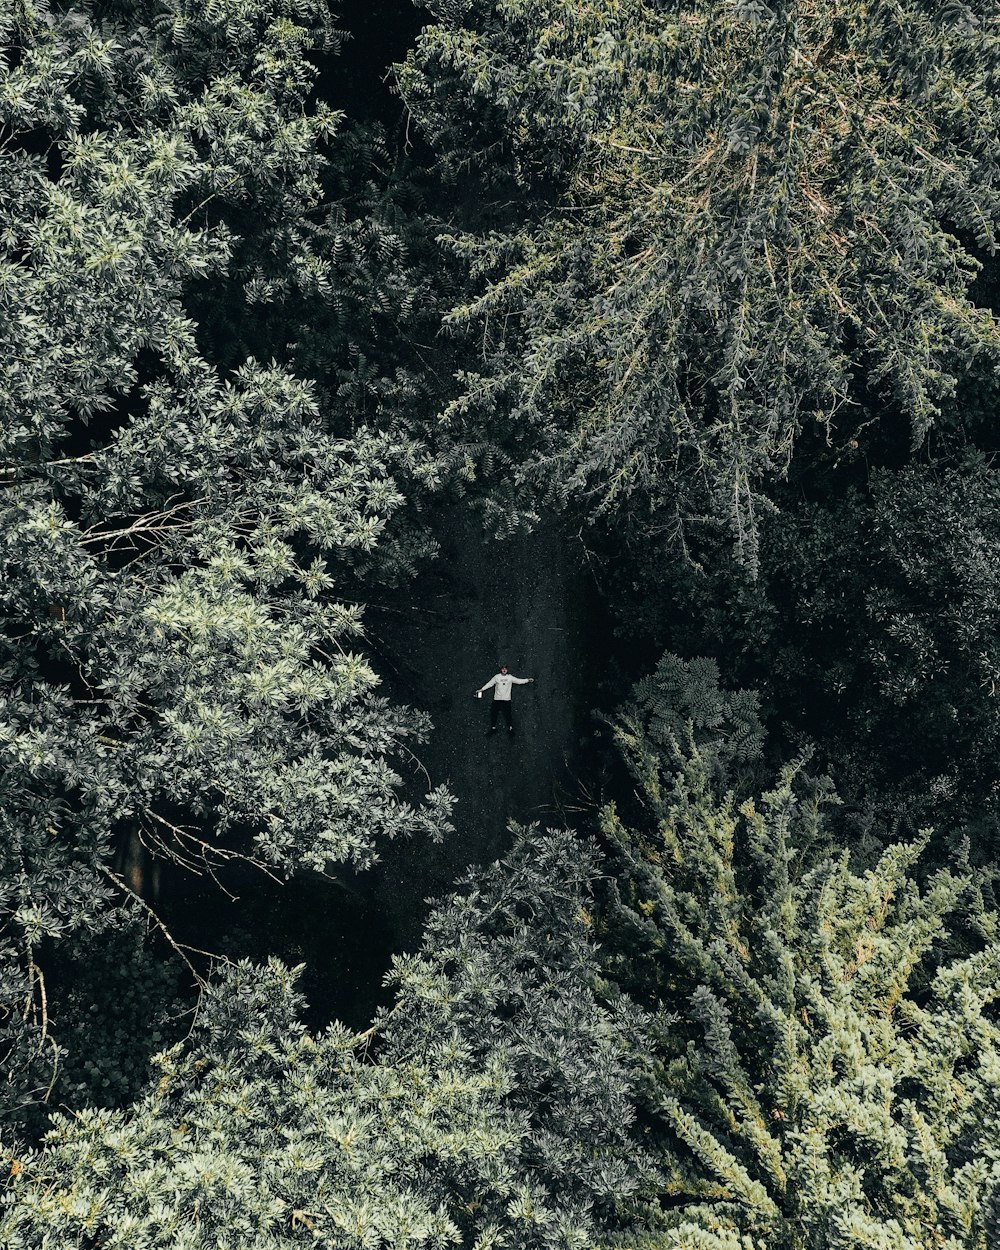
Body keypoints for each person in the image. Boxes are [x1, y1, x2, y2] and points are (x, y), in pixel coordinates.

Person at [476, 664, 534, 734]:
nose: (504, 670)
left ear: (507, 670)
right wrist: (482, 689)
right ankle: (493, 728)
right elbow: (489, 684)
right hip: (497, 699)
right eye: (503, 669)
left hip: (507, 700)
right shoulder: (496, 677)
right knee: (494, 714)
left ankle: (510, 729)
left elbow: (519, 681)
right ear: (501, 670)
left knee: (508, 714)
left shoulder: (510, 677)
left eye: (505, 669)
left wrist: (527, 680)